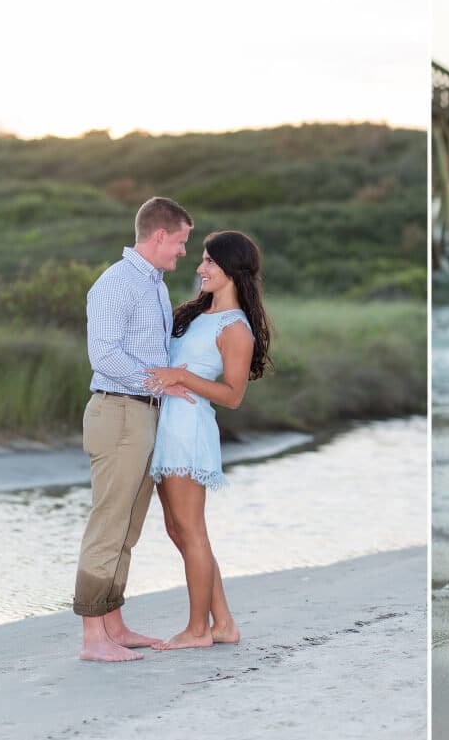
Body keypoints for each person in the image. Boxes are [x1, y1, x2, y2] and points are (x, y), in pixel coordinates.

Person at [140, 230, 273, 650]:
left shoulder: (236, 328)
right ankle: (225, 624)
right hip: (167, 424)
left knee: (192, 531)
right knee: (178, 530)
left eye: (210, 262)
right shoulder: (198, 313)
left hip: (189, 429)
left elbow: (233, 396)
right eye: (202, 260)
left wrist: (181, 376)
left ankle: (198, 630)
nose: (200, 268)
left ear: (232, 270)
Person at [75, 196, 194, 662]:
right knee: (109, 524)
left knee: (128, 526)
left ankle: (114, 624)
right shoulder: (117, 283)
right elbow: (102, 356)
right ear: (160, 235)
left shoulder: (156, 286)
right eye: (182, 241)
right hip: (119, 412)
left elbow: (151, 352)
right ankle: (92, 638)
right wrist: (159, 380)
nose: (184, 251)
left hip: (144, 413)